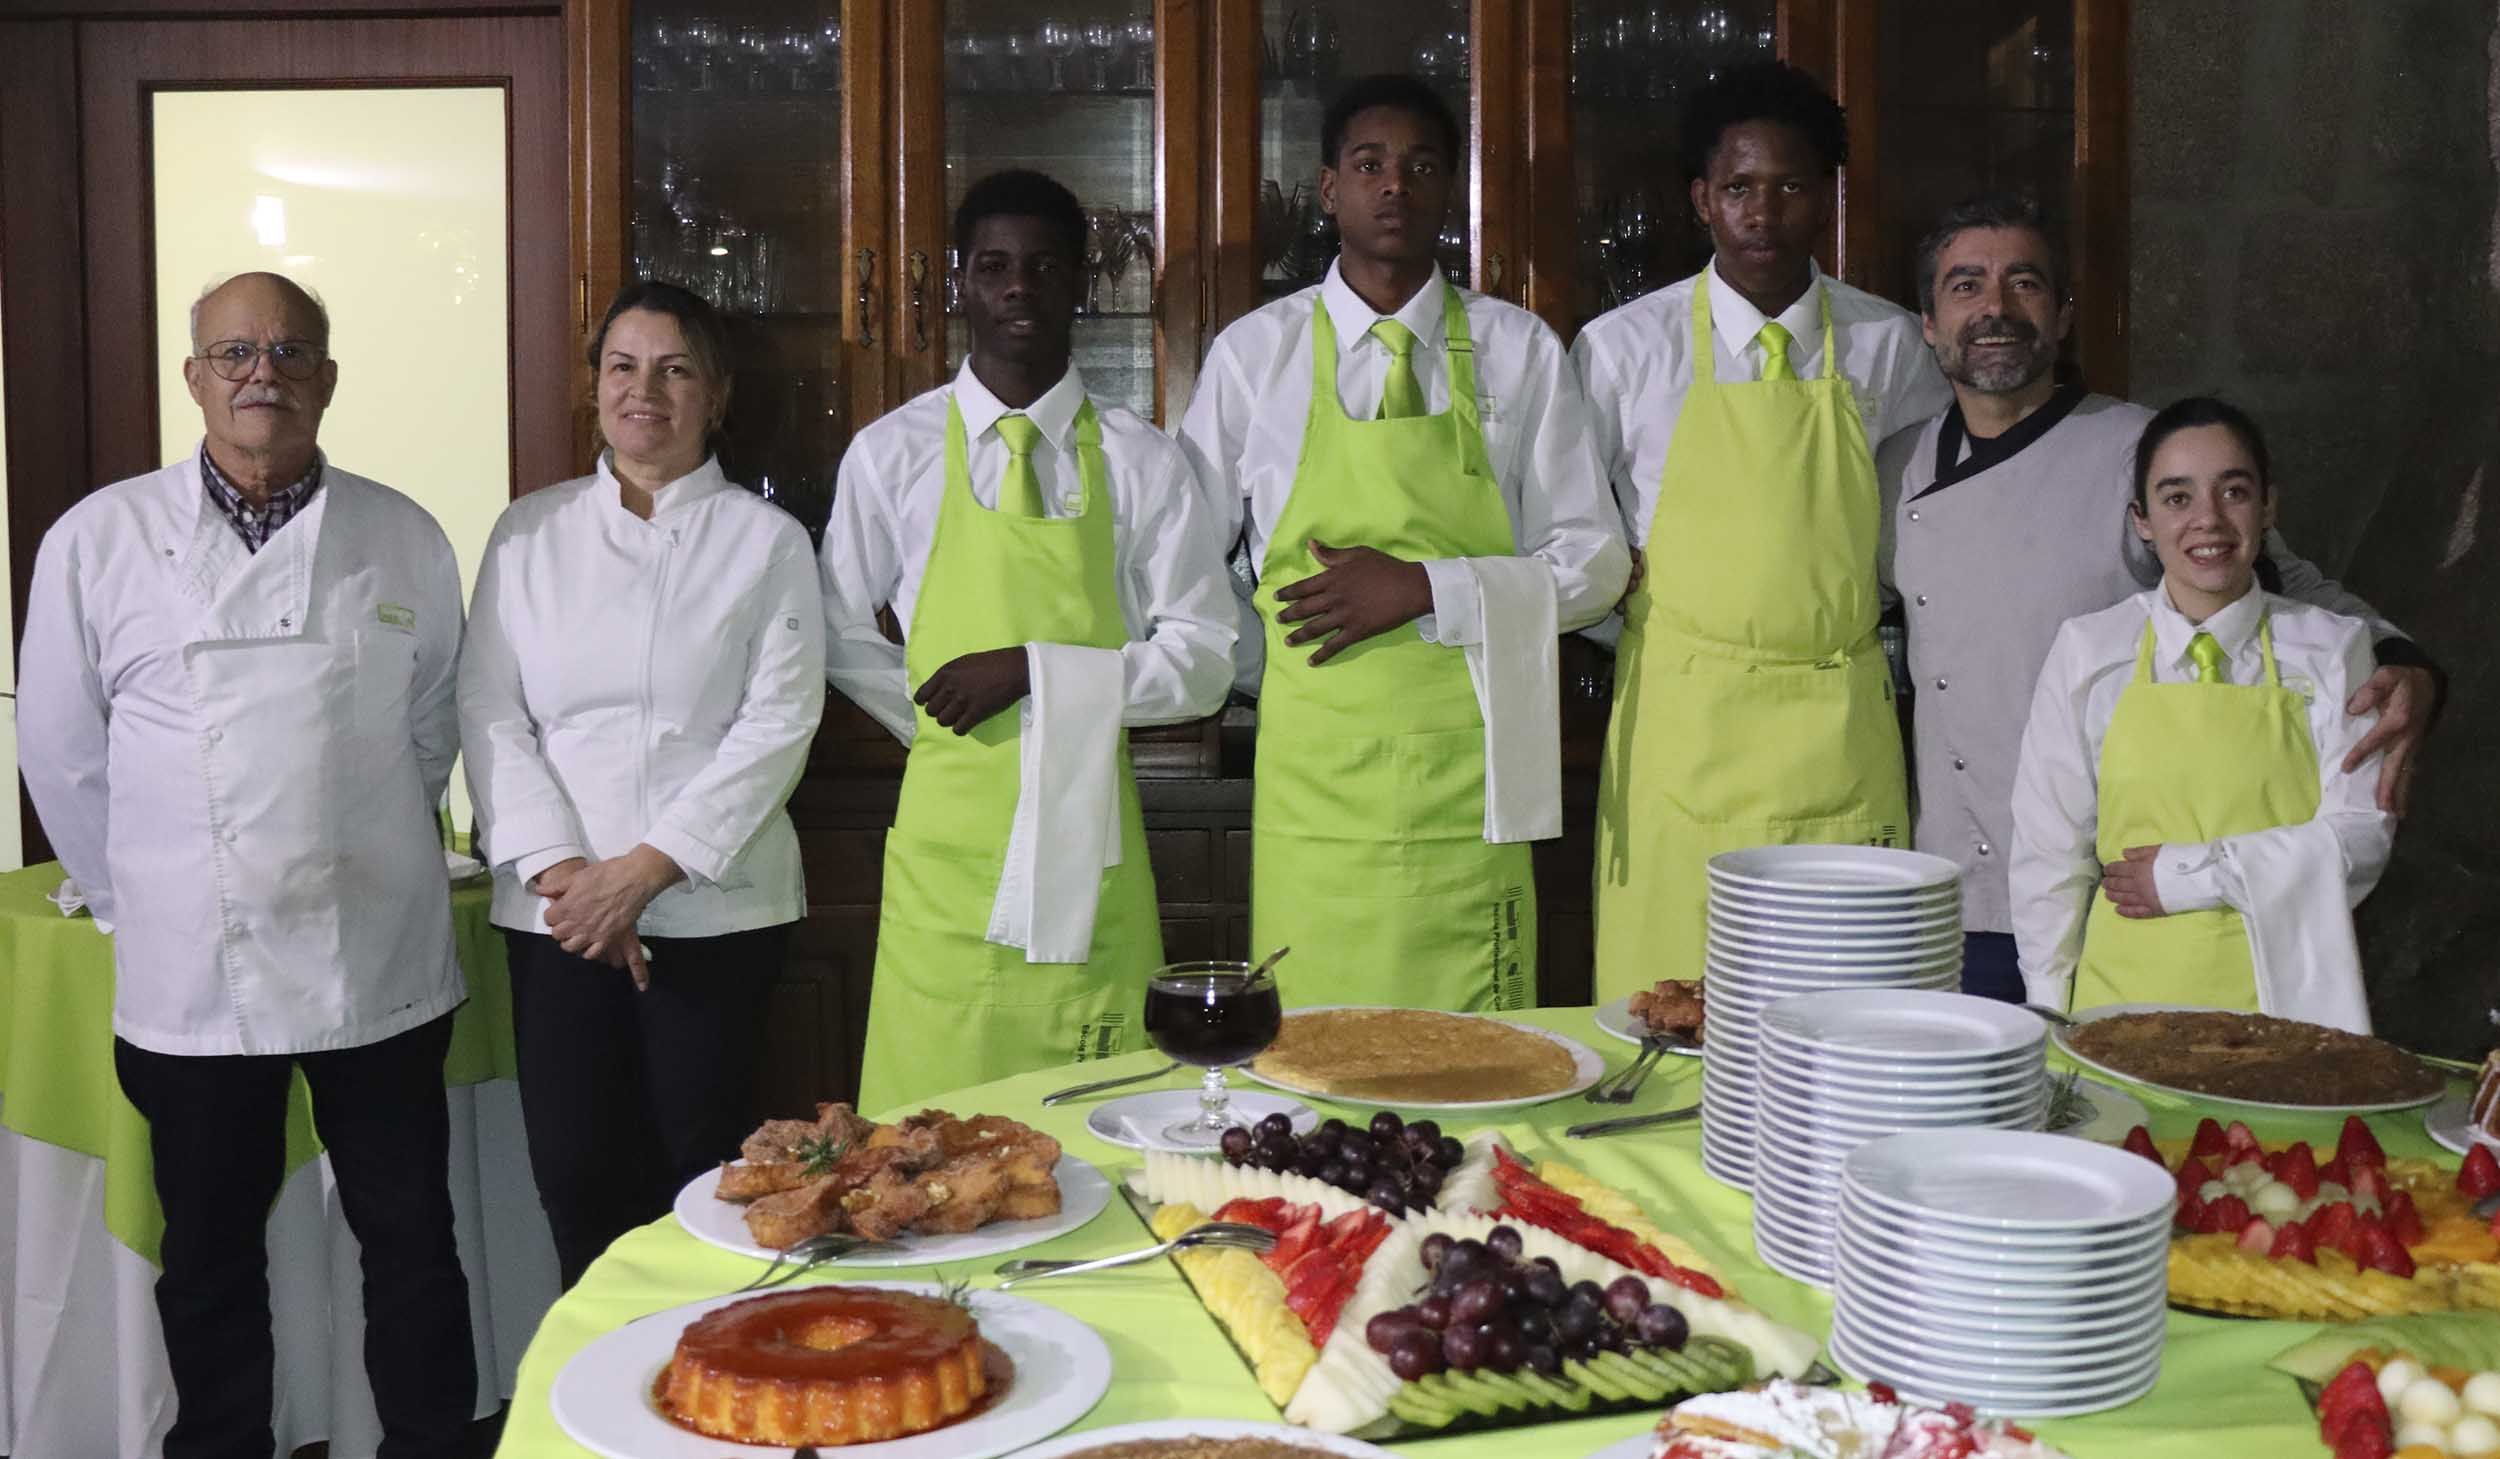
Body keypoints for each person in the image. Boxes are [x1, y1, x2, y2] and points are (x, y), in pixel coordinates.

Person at [19, 272, 476, 1457]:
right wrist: (140, 904)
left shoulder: (402, 533)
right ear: (194, 378)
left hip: (375, 955)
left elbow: (434, 732)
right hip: (192, 971)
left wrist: (361, 844)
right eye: (232, 352)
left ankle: (428, 1441)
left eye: (286, 351)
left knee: (412, 1241)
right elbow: (64, 755)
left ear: (325, 377)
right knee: (211, 1257)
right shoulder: (99, 538)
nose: (259, 373)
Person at [1877, 194, 2442, 1002]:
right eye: (1966, 286)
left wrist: (2405, 661)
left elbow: (2291, 583)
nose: (1995, 307)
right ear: (1928, 323)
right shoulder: (1896, 469)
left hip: (2105, 893)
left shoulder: (2134, 451)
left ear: (2063, 314)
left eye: (2024, 283)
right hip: (1944, 882)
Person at [1180, 75, 1628, 1014]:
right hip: (1315, 775)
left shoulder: (1520, 351)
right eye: (1370, 165)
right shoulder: (1253, 356)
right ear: (1329, 188)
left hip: (1477, 775)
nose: (1395, 186)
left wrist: (1427, 588)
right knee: (1314, 1059)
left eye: (1421, 166)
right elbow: (1190, 567)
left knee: (1476, 1064)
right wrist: (1275, 664)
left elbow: (1595, 561)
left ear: (1449, 189)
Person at [823, 170, 1234, 1111]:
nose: (1019, 287)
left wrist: (1035, 679)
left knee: (1096, 1130)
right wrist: (937, 711)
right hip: (946, 850)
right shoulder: (891, 452)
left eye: (1045, 267)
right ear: (962, 281)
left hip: (1090, 845)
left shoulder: (1140, 457)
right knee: (927, 1137)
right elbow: (837, 630)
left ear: (1080, 286)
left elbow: (1206, 657)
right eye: (996, 265)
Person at [458, 280, 825, 1285]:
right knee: (574, 1172)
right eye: (622, 367)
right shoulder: (527, 534)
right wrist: (573, 876)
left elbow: (779, 720)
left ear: (716, 394)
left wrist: (648, 870)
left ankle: (703, 1405)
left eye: (674, 370)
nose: (644, 390)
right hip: (558, 915)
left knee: (702, 1175)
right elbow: (490, 707)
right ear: (593, 389)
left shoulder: (768, 543)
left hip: (714, 907)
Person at [1573, 61, 1951, 1003]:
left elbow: (1933, 523)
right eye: (1740, 186)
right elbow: (1572, 538)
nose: (1764, 211)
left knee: (1846, 1010)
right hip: (1683, 725)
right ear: (1703, 199)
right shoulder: (1623, 350)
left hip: (1839, 723)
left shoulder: (1892, 347)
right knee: (1668, 1008)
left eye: (1790, 185)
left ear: (1826, 197)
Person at [2009, 399, 2394, 1028]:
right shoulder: (2089, 650)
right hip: (2116, 1011)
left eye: (2233, 491)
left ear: (2268, 507)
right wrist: (2050, 1011)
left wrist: (2187, 876)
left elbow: (2362, 836)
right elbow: (2050, 851)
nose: (2208, 521)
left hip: (2285, 1009)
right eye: (2177, 498)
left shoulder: (2332, 648)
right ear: (2142, 521)